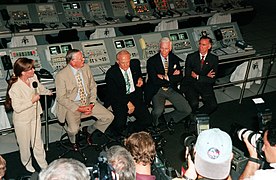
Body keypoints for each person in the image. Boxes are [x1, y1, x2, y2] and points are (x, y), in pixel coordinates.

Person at [55, 49, 114, 150]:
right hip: (72, 105)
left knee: (109, 117)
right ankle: (73, 141)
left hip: (87, 101)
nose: (83, 59)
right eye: (80, 58)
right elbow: (61, 98)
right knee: (73, 130)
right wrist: (79, 108)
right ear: (72, 61)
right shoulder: (61, 75)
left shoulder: (86, 68)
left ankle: (89, 130)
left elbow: (93, 86)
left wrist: (91, 103)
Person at [7, 58, 52, 173]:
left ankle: (43, 163)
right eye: (31, 69)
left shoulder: (33, 78)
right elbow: (17, 108)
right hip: (22, 120)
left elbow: (39, 88)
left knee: (37, 142)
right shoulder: (15, 88)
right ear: (23, 72)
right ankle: (27, 163)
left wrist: (47, 91)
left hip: (35, 116)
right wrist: (32, 101)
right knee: (24, 144)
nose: (33, 70)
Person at [105, 50, 152, 137]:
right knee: (120, 123)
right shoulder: (111, 74)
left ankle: (131, 129)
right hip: (120, 97)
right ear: (117, 62)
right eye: (123, 63)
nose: (126, 65)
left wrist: (140, 79)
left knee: (147, 120)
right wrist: (128, 103)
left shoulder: (135, 64)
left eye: (128, 62)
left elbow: (138, 75)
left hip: (134, 95)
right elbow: (114, 93)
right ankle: (114, 131)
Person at [145, 37, 191, 126]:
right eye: (162, 48)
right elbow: (154, 81)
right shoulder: (151, 61)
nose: (163, 51)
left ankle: (166, 119)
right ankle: (154, 123)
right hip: (157, 89)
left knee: (187, 110)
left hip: (171, 88)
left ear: (170, 49)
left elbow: (180, 77)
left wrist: (165, 77)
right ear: (159, 48)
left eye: (166, 49)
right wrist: (171, 77)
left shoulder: (174, 59)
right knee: (158, 111)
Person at [180, 36, 218, 115]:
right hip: (191, 84)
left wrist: (198, 76)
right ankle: (192, 115)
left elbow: (212, 79)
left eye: (203, 45)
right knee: (194, 103)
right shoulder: (191, 57)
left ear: (209, 46)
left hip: (205, 85)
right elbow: (188, 75)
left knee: (213, 105)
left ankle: (198, 115)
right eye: (200, 44)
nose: (201, 47)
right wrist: (205, 76)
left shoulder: (213, 59)